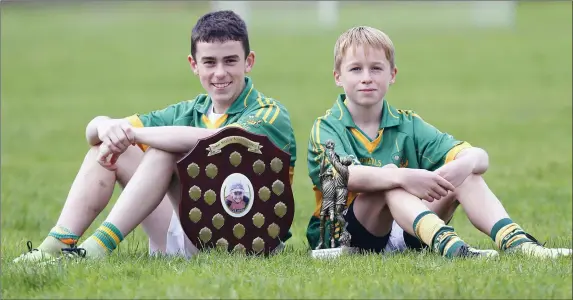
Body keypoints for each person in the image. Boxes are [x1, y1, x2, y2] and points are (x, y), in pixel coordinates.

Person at [14, 10, 297, 262]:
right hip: (189, 231)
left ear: (249, 61)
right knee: (112, 147)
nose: (220, 72)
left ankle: (96, 249)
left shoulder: (270, 113)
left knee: (165, 149)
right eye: (209, 62)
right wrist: (104, 126)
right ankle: (56, 244)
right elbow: (95, 132)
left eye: (230, 61)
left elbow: (223, 140)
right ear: (193, 64)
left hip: (247, 242)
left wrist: (133, 132)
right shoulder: (188, 111)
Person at [306, 26, 572, 259]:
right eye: (356, 69)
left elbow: (480, 157)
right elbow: (344, 175)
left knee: (466, 174)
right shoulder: (326, 126)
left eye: (376, 68)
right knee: (390, 177)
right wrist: (404, 176)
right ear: (338, 77)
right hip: (347, 238)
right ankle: (450, 245)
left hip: (407, 228)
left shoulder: (407, 123)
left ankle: (519, 243)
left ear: (392, 74)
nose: (367, 77)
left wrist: (463, 166)